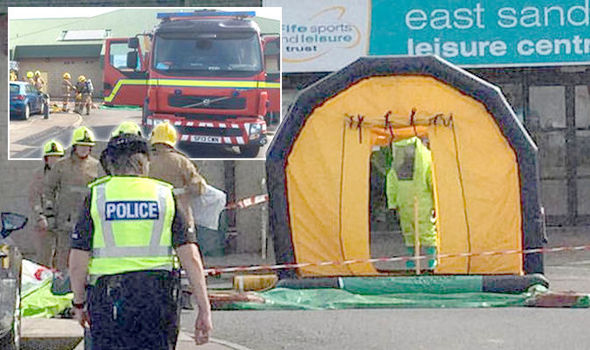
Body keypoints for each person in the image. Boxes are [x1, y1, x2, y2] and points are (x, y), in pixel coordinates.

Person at [69, 133, 212, 349]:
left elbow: (78, 259)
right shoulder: (164, 195)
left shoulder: (97, 196)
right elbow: (190, 256)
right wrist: (204, 308)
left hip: (109, 297)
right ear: (144, 163)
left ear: (110, 164)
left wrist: (78, 303)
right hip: (158, 296)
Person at [43, 126, 99, 272]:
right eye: (81, 146)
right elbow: (48, 189)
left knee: (87, 258)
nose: (84, 149)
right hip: (65, 222)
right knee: (63, 257)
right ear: (74, 146)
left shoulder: (97, 167)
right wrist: (49, 214)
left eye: (87, 146)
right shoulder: (61, 166)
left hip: (89, 221)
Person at [386, 136, 437, 269]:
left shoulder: (426, 159)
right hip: (405, 204)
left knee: (426, 231)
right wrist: (392, 204)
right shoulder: (398, 164)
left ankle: (432, 259)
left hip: (422, 203)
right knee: (408, 232)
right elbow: (391, 183)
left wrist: (436, 202)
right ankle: (413, 261)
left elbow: (432, 182)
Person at [148, 122, 206, 232]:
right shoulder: (181, 161)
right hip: (180, 217)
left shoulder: (145, 161)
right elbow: (198, 189)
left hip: (151, 215)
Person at [29, 140, 65, 267]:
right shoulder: (39, 175)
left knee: (62, 258)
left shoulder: (67, 174)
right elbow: (34, 198)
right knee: (44, 258)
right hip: (45, 221)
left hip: (63, 222)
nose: (55, 160)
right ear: (46, 159)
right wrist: (40, 217)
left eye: (58, 157)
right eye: (52, 157)